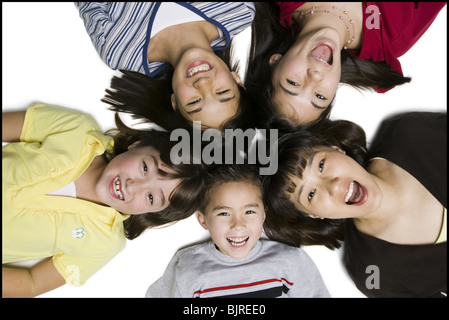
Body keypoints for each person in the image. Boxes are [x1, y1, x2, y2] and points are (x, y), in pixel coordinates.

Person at [2, 103, 206, 297]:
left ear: (151, 212)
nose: (132, 186)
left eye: (151, 197)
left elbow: (32, 283)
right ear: (136, 145)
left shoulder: (104, 244)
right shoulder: (77, 129)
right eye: (145, 168)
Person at [262, 112, 446, 297]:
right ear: (314, 215)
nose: (332, 186)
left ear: (336, 149)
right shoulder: (371, 272)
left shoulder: (408, 133)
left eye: (321, 165)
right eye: (310, 194)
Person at [246, 2, 446, 126]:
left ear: (275, 61)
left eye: (293, 83)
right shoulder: (389, 36)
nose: (314, 77)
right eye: (320, 96)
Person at [146, 164, 329, 297]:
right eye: (224, 213)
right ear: (203, 220)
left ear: (263, 214)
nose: (238, 225)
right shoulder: (188, 266)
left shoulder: (289, 261)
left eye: (249, 212)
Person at [75, 2, 255, 131]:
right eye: (222, 92)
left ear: (175, 102)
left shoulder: (119, 50)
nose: (203, 83)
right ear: (236, 80)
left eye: (194, 102)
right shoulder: (240, 9)